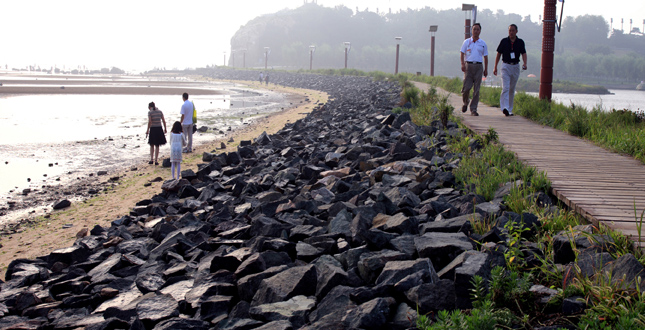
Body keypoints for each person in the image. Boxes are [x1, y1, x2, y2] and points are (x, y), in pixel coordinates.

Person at [493, 24, 527, 117]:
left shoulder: (520, 42)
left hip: (515, 66)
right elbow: (498, 54)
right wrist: (495, 66)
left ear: (516, 31)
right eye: (510, 31)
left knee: (512, 89)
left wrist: (525, 63)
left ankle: (510, 109)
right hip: (505, 66)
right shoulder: (504, 41)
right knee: (506, 87)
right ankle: (505, 107)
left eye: (513, 30)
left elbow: (523, 53)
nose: (511, 32)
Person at [460, 23, 489, 116]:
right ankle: (465, 102)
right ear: (471, 30)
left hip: (478, 67)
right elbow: (462, 53)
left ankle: (473, 109)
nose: (476, 31)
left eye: (478, 29)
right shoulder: (467, 42)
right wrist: (462, 64)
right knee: (466, 88)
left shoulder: (483, 44)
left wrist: (486, 69)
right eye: (474, 29)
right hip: (468, 66)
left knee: (476, 89)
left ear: (480, 31)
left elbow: (485, 57)